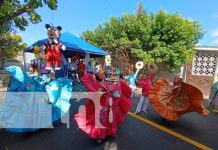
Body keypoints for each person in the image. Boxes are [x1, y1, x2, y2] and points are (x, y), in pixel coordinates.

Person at [74, 73, 132, 142]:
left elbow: (116, 92)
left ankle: (105, 133)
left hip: (107, 104)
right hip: (103, 105)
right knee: (102, 119)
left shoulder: (106, 82)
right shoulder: (97, 84)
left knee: (106, 119)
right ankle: (101, 135)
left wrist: (112, 93)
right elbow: (85, 79)